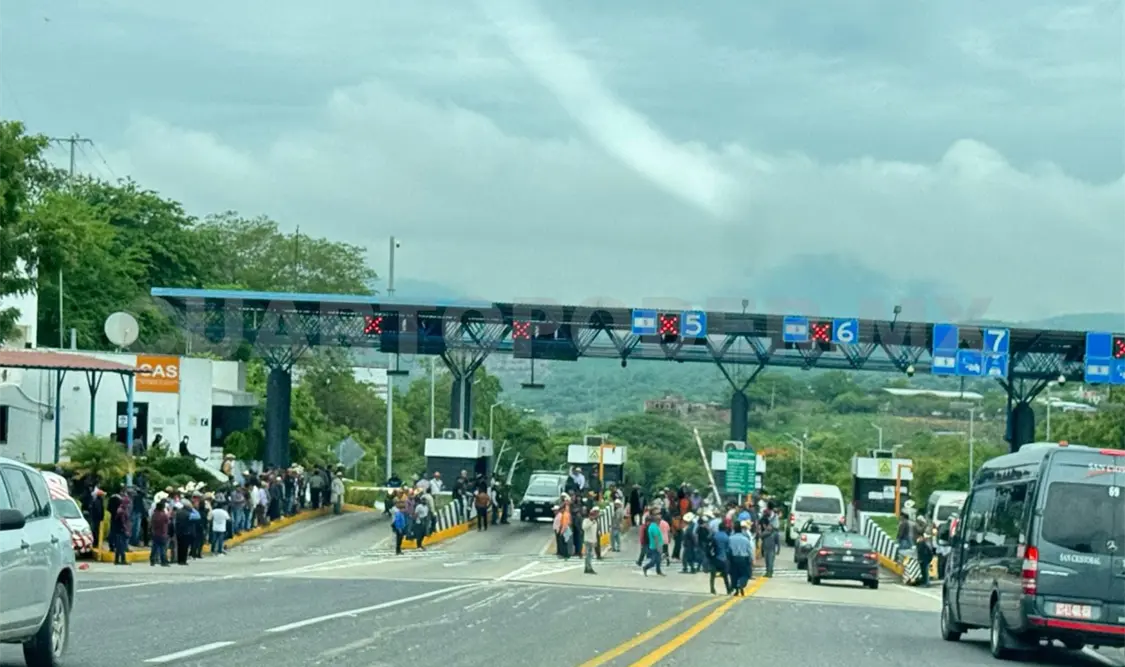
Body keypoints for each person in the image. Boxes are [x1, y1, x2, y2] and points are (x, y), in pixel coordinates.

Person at [582, 508, 599, 574]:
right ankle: (589, 568)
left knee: (590, 555)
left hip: (592, 541)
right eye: (591, 515)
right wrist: (591, 523)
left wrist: (595, 541)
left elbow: (594, 532)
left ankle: (587, 568)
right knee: (588, 555)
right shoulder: (586, 521)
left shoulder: (595, 522)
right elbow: (584, 528)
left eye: (593, 515)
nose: (592, 517)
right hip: (587, 540)